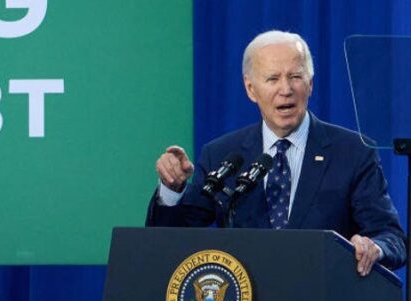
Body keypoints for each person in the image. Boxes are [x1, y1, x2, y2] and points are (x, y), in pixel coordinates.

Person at [147, 30, 407, 275]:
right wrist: (171, 190)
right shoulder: (222, 154)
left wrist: (374, 248)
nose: (286, 89)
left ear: (310, 84)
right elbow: (173, 241)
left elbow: (391, 238)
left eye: (295, 77)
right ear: (251, 89)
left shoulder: (353, 151)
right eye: (273, 79)